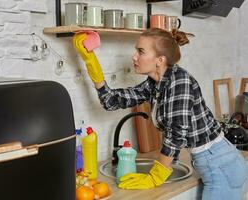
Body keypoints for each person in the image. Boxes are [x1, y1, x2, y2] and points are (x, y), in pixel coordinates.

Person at [73, 28, 248, 199]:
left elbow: (176, 135)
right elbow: (112, 101)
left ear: (159, 60)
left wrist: (155, 176)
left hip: (221, 165)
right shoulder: (155, 83)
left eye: (140, 51)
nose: (134, 56)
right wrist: (91, 63)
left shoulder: (179, 82)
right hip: (210, 161)